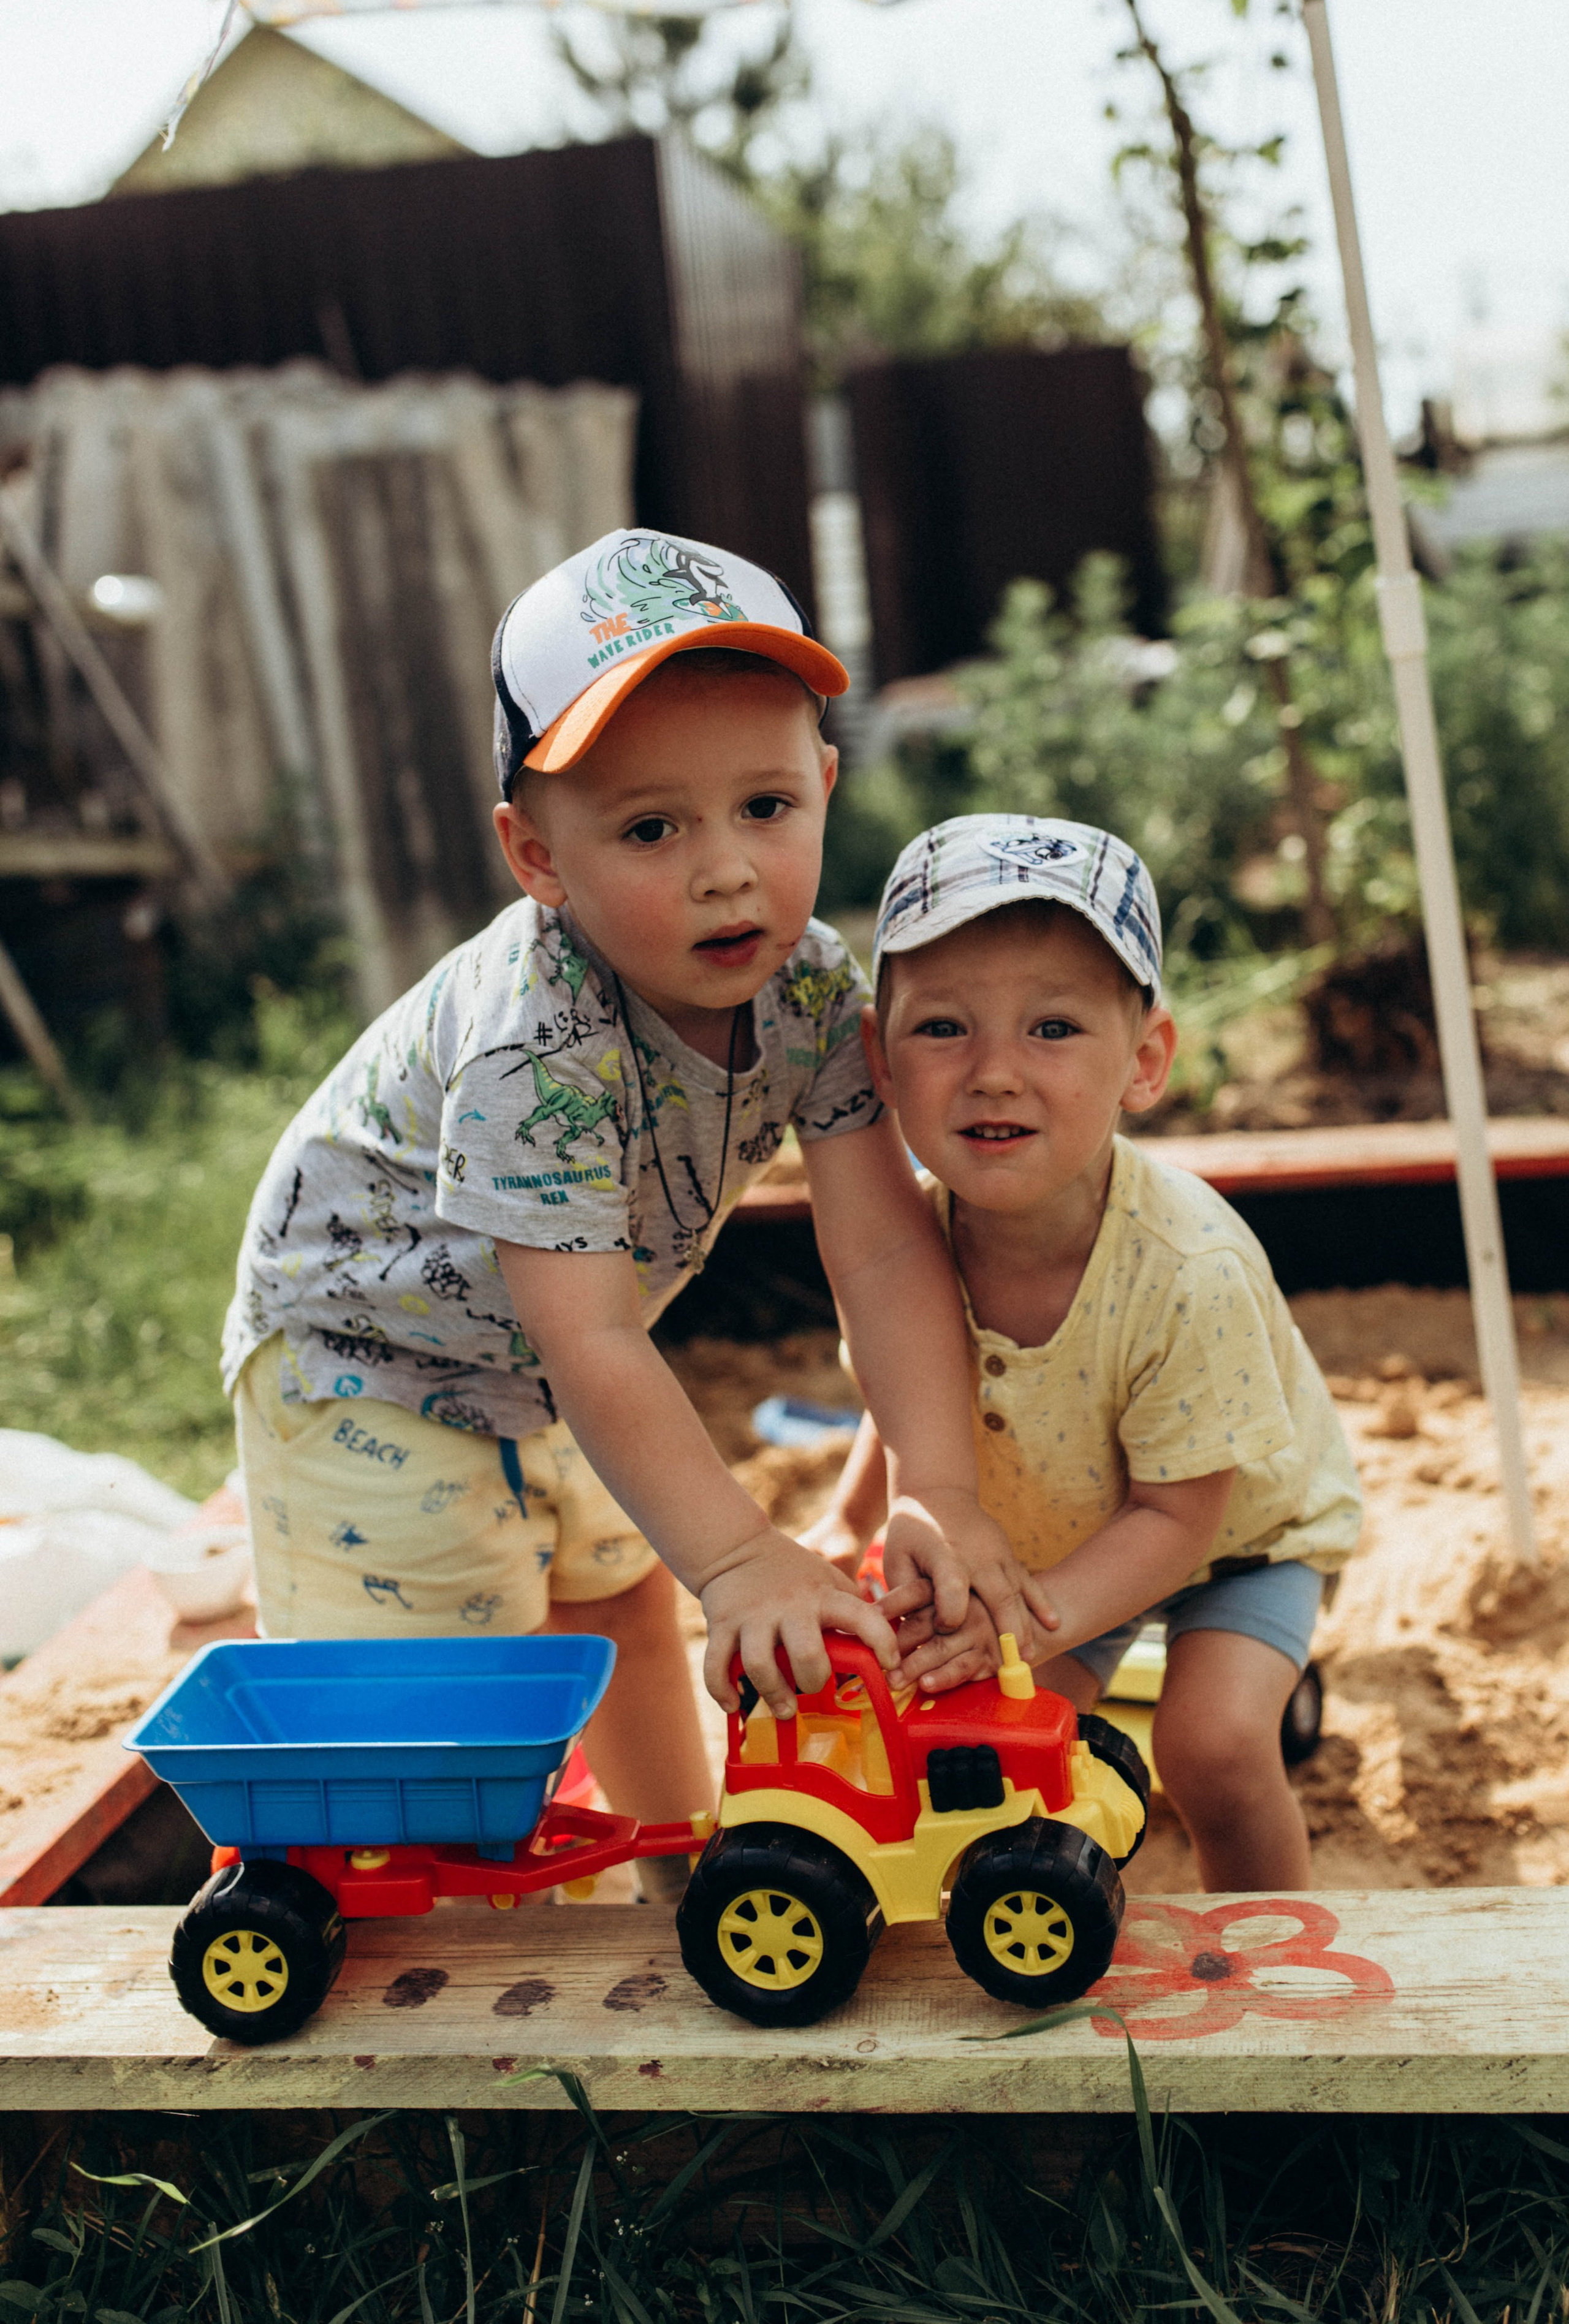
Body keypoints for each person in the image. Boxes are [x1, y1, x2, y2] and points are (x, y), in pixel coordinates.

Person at [221, 530, 1022, 1893]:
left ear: (826, 784)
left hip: (549, 1362)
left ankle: (684, 1876)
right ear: (536, 854)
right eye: (652, 827)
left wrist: (936, 1485)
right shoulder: (537, 1050)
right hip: (369, 1361)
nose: (725, 871)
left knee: (622, 1608)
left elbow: (881, 1243)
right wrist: (739, 1558)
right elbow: (591, 1337)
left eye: (765, 808)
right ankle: (439, 1963)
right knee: (456, 1688)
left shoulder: (816, 991)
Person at [813, 813, 1361, 1892]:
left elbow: (1178, 1518)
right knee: (983, 1739)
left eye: (1053, 1028)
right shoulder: (902, 1243)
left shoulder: (1184, 1270)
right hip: (1048, 1539)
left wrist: (1019, 1618)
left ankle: (1263, 1942)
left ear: (1145, 1060)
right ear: (879, 1055)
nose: (995, 1074)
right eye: (944, 1030)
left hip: (1233, 1545)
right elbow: (906, 1395)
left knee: (1206, 1744)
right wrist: (848, 1514)